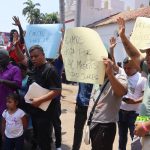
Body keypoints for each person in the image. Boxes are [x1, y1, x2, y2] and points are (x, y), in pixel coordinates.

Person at [16, 44, 62, 150]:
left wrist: (39, 100)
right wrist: (16, 46)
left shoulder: (50, 70)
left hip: (46, 113)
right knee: (36, 137)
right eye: (31, 57)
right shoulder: (33, 66)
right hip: (35, 110)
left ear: (43, 55)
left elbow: (56, 91)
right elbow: (22, 58)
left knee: (44, 140)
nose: (33, 59)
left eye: (36, 56)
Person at [116, 17, 150, 149]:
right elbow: (135, 55)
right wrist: (123, 37)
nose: (146, 57)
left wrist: (147, 126)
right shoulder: (148, 70)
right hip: (142, 123)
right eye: (146, 53)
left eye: (149, 53)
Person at [109, 37, 146, 150]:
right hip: (121, 112)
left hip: (135, 115)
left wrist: (135, 101)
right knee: (121, 139)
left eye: (129, 68)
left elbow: (147, 97)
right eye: (124, 68)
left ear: (135, 66)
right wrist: (111, 50)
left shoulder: (142, 78)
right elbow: (113, 65)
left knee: (136, 141)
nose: (126, 70)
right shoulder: (123, 73)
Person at [88, 56, 128, 150]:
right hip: (94, 124)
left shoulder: (119, 77)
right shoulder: (98, 77)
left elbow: (121, 92)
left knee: (131, 139)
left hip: (106, 126)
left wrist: (110, 74)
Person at [0, 49, 22, 148]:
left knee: (7, 133)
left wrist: (3, 81)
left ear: (7, 58)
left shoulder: (15, 69)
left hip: (8, 108)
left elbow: (17, 84)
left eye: (0, 58)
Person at [72, 83, 93, 150]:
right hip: (81, 104)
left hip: (93, 105)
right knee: (78, 130)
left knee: (94, 132)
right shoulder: (81, 73)